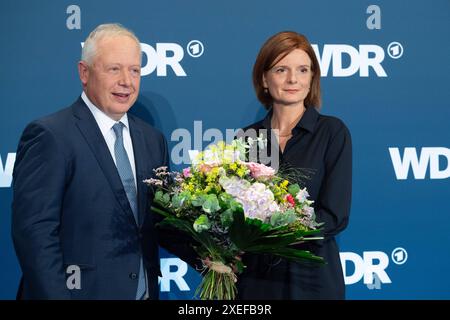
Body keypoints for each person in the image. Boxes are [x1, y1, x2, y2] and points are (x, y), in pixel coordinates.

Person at [11, 23, 169, 299]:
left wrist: (212, 253)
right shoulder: (51, 136)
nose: (127, 81)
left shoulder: (152, 139)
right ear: (84, 72)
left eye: (134, 70)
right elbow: (35, 235)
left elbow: (161, 222)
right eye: (114, 69)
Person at [236, 31, 352, 299]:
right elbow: (237, 216)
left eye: (302, 70)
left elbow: (334, 215)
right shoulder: (247, 138)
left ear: (312, 78)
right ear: (264, 79)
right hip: (257, 281)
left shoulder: (332, 132)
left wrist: (276, 231)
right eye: (281, 69)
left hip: (312, 279)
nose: (292, 79)